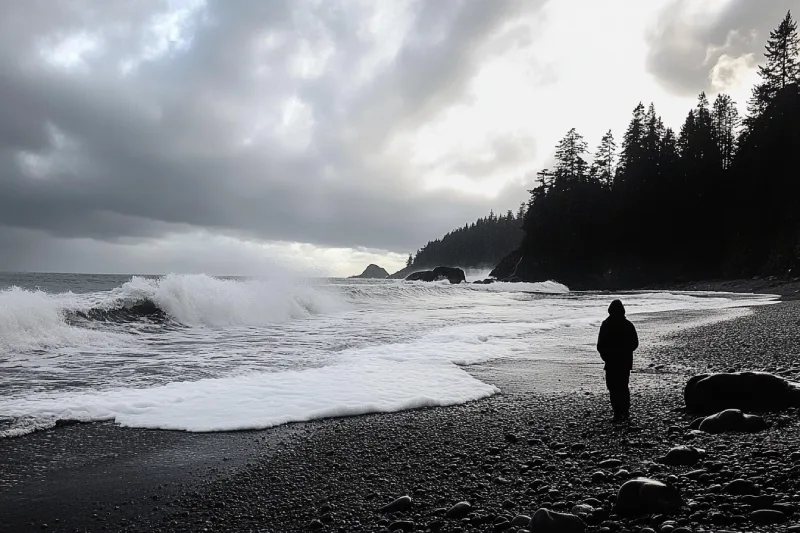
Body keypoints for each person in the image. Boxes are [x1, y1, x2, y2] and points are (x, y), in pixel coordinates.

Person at [597, 299, 639, 422]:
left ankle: (617, 413)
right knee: (623, 386)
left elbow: (600, 345)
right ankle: (625, 411)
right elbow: (635, 344)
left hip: (611, 362)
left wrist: (605, 357)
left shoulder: (606, 324)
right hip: (625, 361)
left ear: (610, 310)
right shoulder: (628, 324)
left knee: (613, 387)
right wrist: (626, 352)